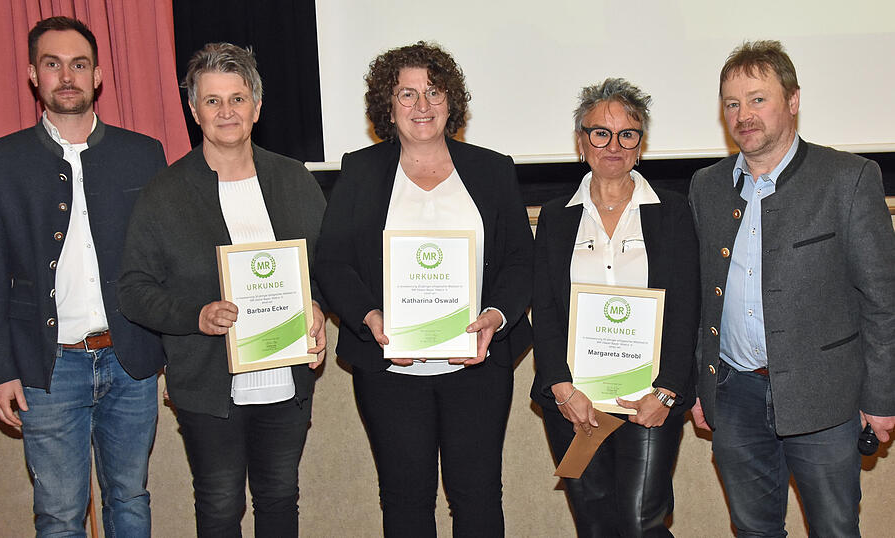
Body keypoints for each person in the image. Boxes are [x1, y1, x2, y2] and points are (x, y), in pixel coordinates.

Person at [314, 41, 533, 536]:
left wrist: (496, 316)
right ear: (386, 107)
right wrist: (369, 315)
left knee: (478, 499)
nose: (422, 106)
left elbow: (521, 260)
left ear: (450, 100)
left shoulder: (492, 169)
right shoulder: (362, 170)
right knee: (405, 501)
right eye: (406, 94)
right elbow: (333, 261)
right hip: (391, 369)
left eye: (433, 92)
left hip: (477, 364)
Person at [0, 16, 166, 536]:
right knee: (58, 513)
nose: (67, 76)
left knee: (131, 498)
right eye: (52, 65)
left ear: (98, 75)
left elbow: (164, 264)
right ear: (34, 75)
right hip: (47, 369)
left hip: (131, 363)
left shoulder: (143, 155)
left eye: (79, 65)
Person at [117, 42, 326, 537]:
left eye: (237, 98)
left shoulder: (293, 179)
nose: (226, 111)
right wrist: (197, 314)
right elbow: (133, 289)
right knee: (218, 505)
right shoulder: (165, 192)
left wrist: (316, 306)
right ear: (194, 110)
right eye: (212, 101)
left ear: (256, 106)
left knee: (280, 499)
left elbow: (330, 265)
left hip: (285, 380)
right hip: (208, 385)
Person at [689, 40, 895, 537]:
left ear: (793, 101)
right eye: (732, 103)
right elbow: (700, 298)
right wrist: (701, 385)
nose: (743, 114)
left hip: (826, 399)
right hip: (734, 394)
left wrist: (882, 396)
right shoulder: (706, 186)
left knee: (835, 530)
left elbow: (883, 304)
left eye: (758, 99)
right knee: (754, 530)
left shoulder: (849, 179)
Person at [529, 78, 699, 536]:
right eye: (600, 132)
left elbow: (686, 307)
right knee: (594, 523)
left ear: (641, 145)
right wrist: (560, 388)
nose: (614, 145)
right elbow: (544, 309)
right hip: (575, 401)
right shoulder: (555, 215)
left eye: (628, 134)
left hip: (649, 399)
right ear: (581, 141)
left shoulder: (674, 212)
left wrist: (667, 391)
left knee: (643, 522)